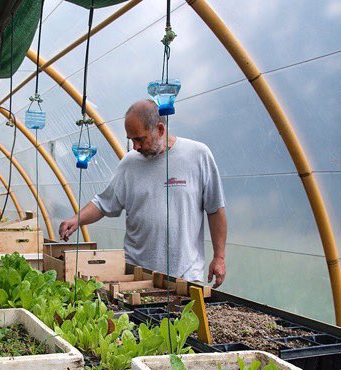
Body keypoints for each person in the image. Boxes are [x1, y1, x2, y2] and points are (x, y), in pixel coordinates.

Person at [59, 99, 227, 286]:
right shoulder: (130, 163)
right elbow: (103, 203)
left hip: (185, 276)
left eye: (139, 139)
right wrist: (76, 219)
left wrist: (219, 257)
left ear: (160, 130)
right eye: (131, 140)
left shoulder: (198, 155)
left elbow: (215, 209)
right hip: (138, 275)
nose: (135, 147)